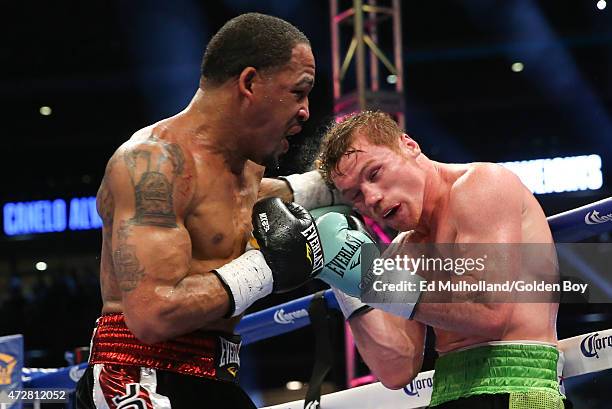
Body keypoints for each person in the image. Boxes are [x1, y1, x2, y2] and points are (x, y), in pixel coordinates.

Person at [76, 13, 321, 409]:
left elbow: (234, 203)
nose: (306, 110)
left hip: (216, 376)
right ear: (249, 83)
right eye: (298, 91)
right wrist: (265, 269)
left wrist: (333, 186)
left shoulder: (248, 165)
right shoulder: (153, 163)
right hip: (138, 375)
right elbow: (152, 315)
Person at [269, 110, 567, 408]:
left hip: (519, 387)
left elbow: (489, 311)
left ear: (409, 146)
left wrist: (376, 280)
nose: (371, 198)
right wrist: (344, 280)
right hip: (446, 395)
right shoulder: (403, 250)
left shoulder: (482, 185)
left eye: (374, 174)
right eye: (355, 196)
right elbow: (395, 370)